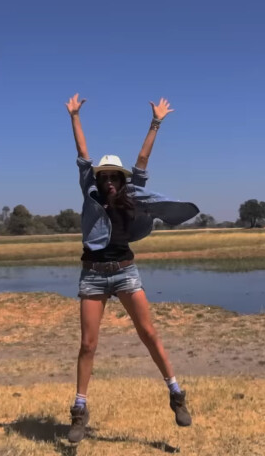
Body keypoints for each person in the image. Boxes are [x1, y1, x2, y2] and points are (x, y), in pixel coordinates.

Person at [63, 93, 200, 443]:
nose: (109, 181)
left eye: (115, 177)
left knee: (149, 334)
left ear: (122, 180)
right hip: (93, 274)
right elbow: (82, 157)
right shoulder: (90, 192)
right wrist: (74, 117)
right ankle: (79, 411)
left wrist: (156, 121)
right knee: (88, 345)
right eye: (105, 175)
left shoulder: (133, 191)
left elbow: (142, 158)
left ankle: (176, 394)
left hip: (125, 272)